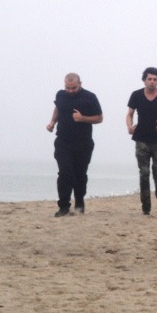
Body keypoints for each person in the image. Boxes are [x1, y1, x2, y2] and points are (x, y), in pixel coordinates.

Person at [46, 73, 103, 217]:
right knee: (65, 173)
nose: (70, 91)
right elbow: (58, 108)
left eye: (74, 88)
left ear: (80, 84)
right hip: (63, 142)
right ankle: (64, 206)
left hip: (83, 143)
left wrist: (82, 118)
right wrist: (52, 122)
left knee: (80, 175)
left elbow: (99, 118)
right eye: (68, 88)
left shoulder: (90, 97)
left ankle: (79, 202)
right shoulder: (60, 95)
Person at [126, 67, 157, 215]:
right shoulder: (136, 95)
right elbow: (129, 114)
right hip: (141, 139)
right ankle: (146, 205)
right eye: (149, 79)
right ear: (144, 80)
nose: (152, 81)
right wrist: (129, 127)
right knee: (144, 172)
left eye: (155, 79)